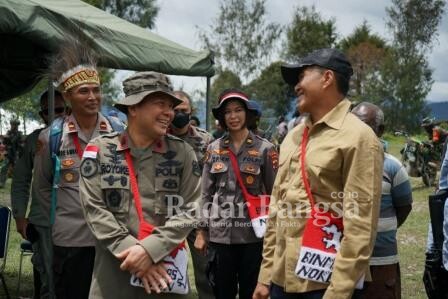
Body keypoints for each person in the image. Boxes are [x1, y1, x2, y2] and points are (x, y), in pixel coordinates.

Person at [253, 48, 383, 299]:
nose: (296, 87)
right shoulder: (292, 137)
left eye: (302, 76)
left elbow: (361, 227)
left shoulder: (359, 137)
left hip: (326, 286)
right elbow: (277, 211)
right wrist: (265, 277)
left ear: (327, 78)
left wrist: (337, 293)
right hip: (282, 280)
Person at [79, 71, 201, 298]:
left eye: (171, 106)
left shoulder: (183, 153)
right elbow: (94, 209)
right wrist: (136, 256)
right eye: (160, 104)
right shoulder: (100, 151)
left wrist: (150, 250)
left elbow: (191, 208)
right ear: (133, 108)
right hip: (114, 281)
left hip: (165, 280)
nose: (169, 112)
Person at [33, 37, 124, 299]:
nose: (93, 96)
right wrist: (54, 226)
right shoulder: (51, 137)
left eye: (96, 89)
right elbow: (41, 188)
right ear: (68, 96)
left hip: (111, 239)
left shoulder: (119, 132)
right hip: (70, 238)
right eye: (84, 91)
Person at [195, 89, 278, 299]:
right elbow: (206, 193)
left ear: (247, 114)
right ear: (222, 117)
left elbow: (275, 193)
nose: (233, 116)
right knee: (222, 291)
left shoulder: (265, 149)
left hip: (253, 236)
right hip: (221, 236)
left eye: (238, 110)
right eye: (228, 112)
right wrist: (201, 231)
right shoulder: (213, 149)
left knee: (252, 292)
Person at [352, 102, 412, 299]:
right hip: (345, 261)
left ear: (380, 131)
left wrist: (378, 231)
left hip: (381, 260)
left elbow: (403, 208)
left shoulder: (393, 167)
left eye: (366, 127)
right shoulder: (337, 165)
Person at [11, 89, 66, 298]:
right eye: (48, 112)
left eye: (60, 110)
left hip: (78, 223)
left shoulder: (82, 138)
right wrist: (19, 216)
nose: (55, 116)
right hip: (43, 220)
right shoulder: (35, 140)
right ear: (41, 115)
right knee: (47, 281)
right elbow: (20, 179)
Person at [167, 90, 214, 299]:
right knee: (169, 271)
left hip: (197, 214)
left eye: (183, 110)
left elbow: (212, 179)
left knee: (205, 271)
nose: (179, 114)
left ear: (191, 111)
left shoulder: (205, 140)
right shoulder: (159, 137)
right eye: (175, 110)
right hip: (167, 214)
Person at [0, 119, 23, 187]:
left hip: (16, 153)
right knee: (4, 168)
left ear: (17, 126)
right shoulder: (9, 132)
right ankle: (1, 183)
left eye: (15, 124)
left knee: (18, 170)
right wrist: (5, 138)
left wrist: (7, 137)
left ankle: (19, 184)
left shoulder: (19, 133)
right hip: (8, 153)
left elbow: (14, 141)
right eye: (12, 124)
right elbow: (4, 142)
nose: (13, 126)